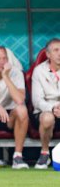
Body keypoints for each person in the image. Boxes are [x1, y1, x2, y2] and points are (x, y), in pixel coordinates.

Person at [32, 38, 60, 169]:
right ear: (48, 54)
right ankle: (44, 153)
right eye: (56, 50)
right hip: (46, 110)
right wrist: (53, 108)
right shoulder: (39, 71)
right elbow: (37, 100)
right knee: (48, 118)